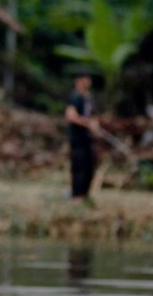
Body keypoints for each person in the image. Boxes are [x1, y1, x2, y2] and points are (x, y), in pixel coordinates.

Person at [65, 69, 100, 201]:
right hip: (77, 138)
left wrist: (95, 125)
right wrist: (87, 123)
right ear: (78, 81)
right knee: (78, 167)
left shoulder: (89, 98)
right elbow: (70, 116)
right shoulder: (75, 97)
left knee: (89, 167)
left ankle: (85, 195)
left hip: (88, 138)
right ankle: (76, 196)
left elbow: (94, 115)